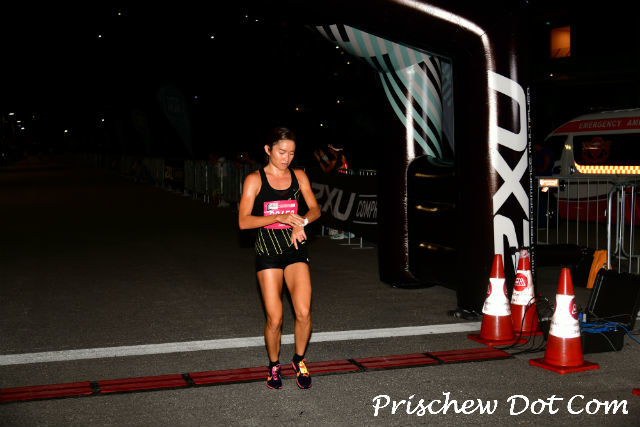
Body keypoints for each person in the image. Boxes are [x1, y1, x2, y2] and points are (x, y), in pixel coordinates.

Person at [238, 127, 321, 389]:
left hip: (295, 250)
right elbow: (243, 221)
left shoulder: (299, 176)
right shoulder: (255, 180)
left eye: (292, 153)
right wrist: (278, 217)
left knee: (303, 312)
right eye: (282, 152)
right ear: (268, 150)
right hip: (268, 253)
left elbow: (315, 209)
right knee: (275, 319)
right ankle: (274, 365)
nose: (287, 158)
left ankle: (299, 359)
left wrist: (301, 223)